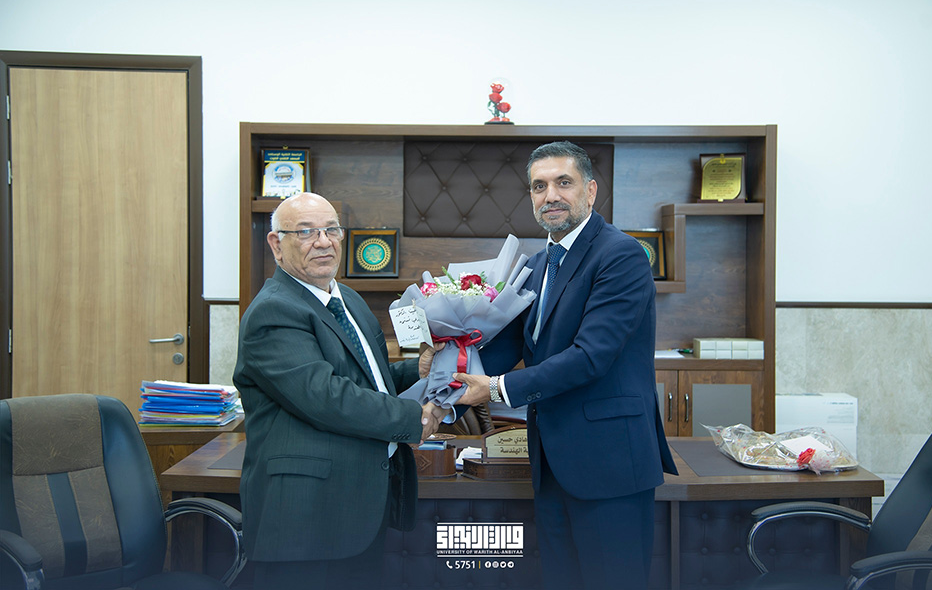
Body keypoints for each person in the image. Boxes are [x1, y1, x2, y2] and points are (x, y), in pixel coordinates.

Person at [456, 141, 679, 590]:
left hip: (610, 462)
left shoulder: (621, 254)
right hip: (552, 460)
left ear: (590, 191)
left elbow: (590, 356)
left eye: (564, 182)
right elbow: (511, 343)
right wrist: (449, 366)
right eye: (539, 186)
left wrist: (495, 388)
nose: (551, 195)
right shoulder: (539, 264)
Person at [233, 192, 447, 589]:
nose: (323, 242)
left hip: (357, 504)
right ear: (276, 244)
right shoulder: (274, 311)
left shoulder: (346, 298)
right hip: (306, 515)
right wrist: (413, 418)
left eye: (331, 230)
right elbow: (325, 396)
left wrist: (415, 370)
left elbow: (366, 378)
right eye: (306, 232)